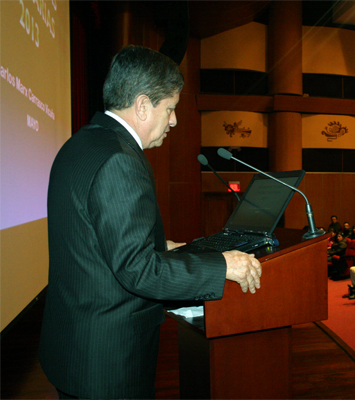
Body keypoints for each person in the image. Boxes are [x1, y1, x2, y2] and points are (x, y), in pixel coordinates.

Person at [38, 46, 262, 400]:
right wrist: (221, 265)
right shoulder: (120, 160)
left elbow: (94, 240)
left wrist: (166, 247)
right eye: (170, 108)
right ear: (142, 105)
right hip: (107, 363)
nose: (173, 121)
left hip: (75, 346)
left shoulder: (80, 143)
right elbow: (137, 270)